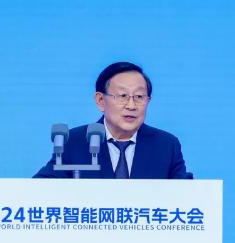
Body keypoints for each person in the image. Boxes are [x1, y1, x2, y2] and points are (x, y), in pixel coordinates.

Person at [34, 62, 193, 179]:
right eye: (123, 96)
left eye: (139, 97)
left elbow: (188, 194)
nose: (131, 106)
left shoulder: (166, 145)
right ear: (100, 101)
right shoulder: (74, 141)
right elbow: (40, 189)